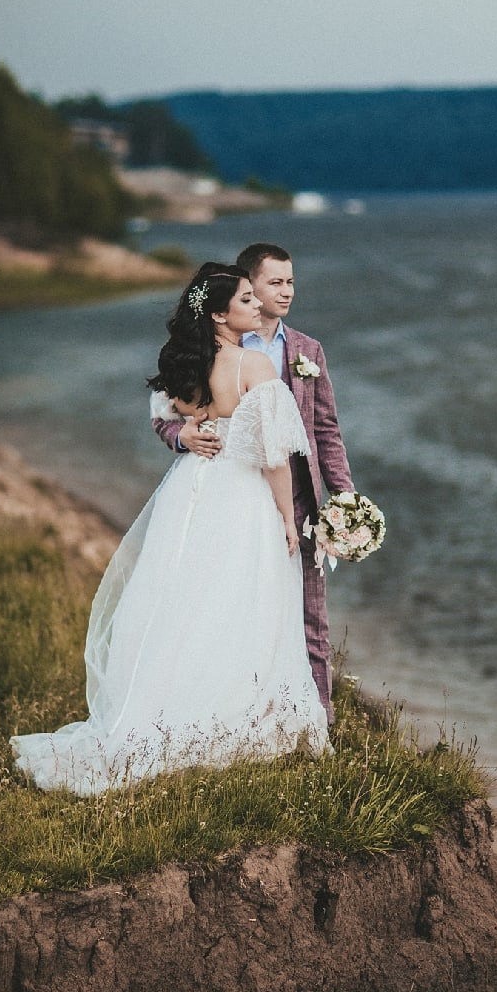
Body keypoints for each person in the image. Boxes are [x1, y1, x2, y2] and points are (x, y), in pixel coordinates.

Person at [10, 263, 328, 794]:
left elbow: (169, 415)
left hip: (190, 490)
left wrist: (186, 433)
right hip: (241, 494)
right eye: (246, 299)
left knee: (183, 599)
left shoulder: (185, 368)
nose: (258, 304)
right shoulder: (253, 366)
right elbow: (275, 458)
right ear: (220, 315)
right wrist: (287, 518)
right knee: (241, 601)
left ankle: (161, 705)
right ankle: (232, 713)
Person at [154, 242, 353, 719]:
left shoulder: (307, 350)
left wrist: (344, 496)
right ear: (250, 287)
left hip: (298, 500)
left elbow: (325, 429)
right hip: (241, 495)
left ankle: (318, 716)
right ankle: (252, 714)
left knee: (309, 616)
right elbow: (165, 416)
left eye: (291, 282)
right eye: (274, 283)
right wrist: (181, 436)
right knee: (232, 606)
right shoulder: (215, 350)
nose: (286, 292)